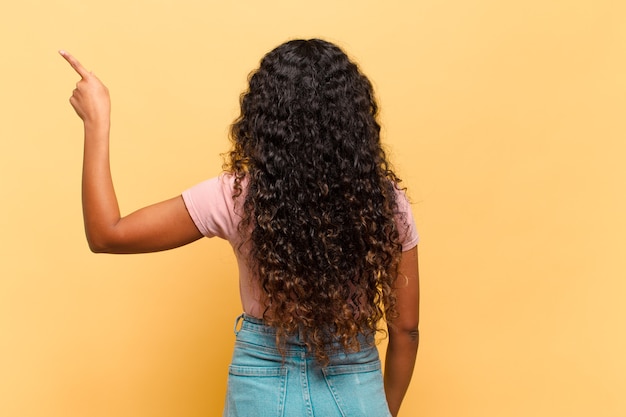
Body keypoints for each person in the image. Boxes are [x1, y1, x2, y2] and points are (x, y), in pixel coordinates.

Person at [60, 38, 419, 417]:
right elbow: (405, 329)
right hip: (355, 383)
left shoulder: (237, 195)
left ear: (264, 117)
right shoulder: (386, 202)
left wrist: (96, 121)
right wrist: (382, 409)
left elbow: (107, 234)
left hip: (262, 379)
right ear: (353, 119)